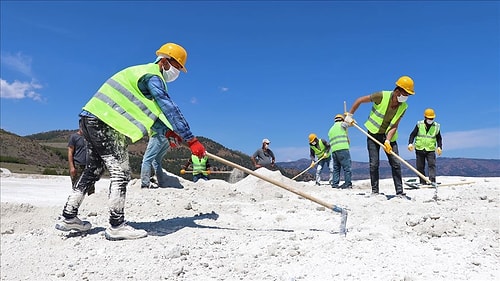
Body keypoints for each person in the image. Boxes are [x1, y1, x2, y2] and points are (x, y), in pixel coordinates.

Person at [55, 42, 206, 241]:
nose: (177, 72)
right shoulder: (153, 76)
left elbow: (148, 112)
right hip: (105, 122)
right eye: (177, 67)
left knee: (94, 168)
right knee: (121, 172)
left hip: (90, 117)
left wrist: (169, 133)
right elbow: (168, 106)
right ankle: (116, 225)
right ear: (165, 61)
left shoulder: (141, 74)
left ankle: (69, 216)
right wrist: (190, 139)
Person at [344, 75, 415, 197]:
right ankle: (375, 191)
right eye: (405, 94)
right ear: (397, 91)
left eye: (408, 95)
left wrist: (387, 140)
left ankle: (399, 192)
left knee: (395, 163)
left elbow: (394, 125)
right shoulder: (381, 96)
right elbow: (360, 100)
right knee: (374, 163)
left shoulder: (404, 106)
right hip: (373, 133)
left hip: (389, 136)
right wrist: (350, 115)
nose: (406, 97)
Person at [408, 108, 443, 184]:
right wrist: (410, 143)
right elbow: (413, 134)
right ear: (425, 117)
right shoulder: (419, 124)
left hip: (430, 149)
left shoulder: (436, 126)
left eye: (432, 118)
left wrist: (440, 147)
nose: (430, 119)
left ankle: (432, 180)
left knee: (432, 165)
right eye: (429, 118)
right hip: (419, 148)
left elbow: (439, 138)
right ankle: (422, 181)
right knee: (420, 167)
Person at [140, 120, 170, 189]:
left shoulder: (152, 113)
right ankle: (161, 183)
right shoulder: (163, 113)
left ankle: (145, 184)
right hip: (167, 137)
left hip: (157, 135)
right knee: (156, 161)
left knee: (146, 160)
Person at [67, 124, 95, 195]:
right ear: (79, 126)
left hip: (89, 166)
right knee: (77, 189)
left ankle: (89, 204)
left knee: (90, 189)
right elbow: (70, 152)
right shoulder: (74, 137)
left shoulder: (89, 137)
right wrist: (72, 167)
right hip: (78, 166)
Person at [328, 114, 352, 189]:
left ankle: (335, 184)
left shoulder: (330, 130)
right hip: (343, 149)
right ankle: (348, 184)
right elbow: (352, 123)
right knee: (347, 168)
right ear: (341, 119)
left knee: (336, 168)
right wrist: (348, 117)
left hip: (334, 151)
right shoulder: (342, 125)